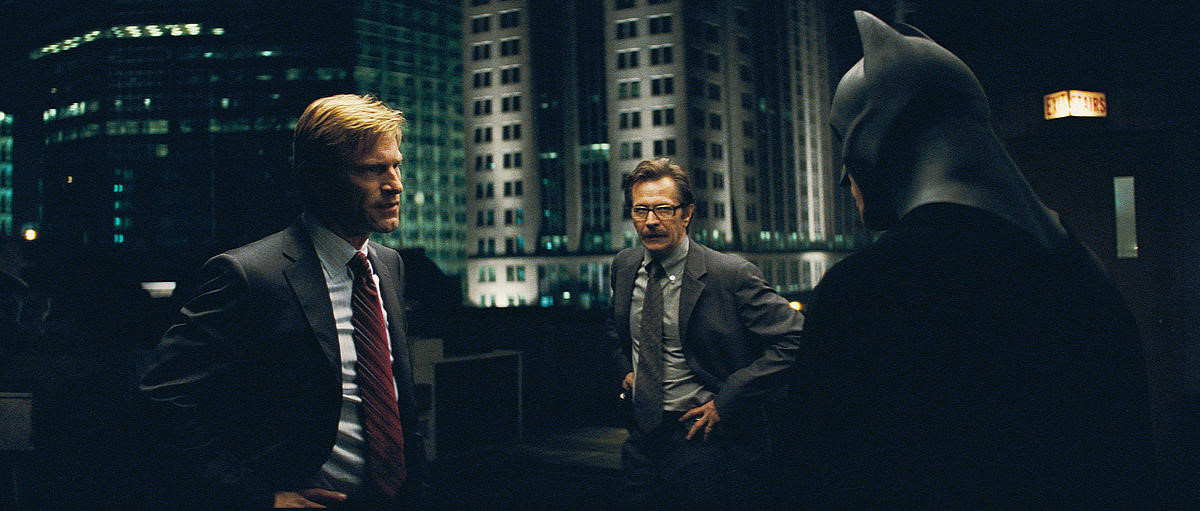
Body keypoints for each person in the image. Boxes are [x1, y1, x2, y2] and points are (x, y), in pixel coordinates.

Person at [785, 11, 1154, 507]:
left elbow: (818, 474)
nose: (842, 177)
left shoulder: (865, 292)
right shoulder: (1083, 273)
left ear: (874, 140)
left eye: (844, 141)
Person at [140, 94, 426, 509]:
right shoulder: (248, 275)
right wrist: (259, 498)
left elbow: (396, 400)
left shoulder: (388, 265)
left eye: (396, 165)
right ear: (318, 178)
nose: (395, 183)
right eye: (371, 169)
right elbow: (162, 399)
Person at [608, 158, 804, 508]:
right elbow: (616, 326)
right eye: (640, 210)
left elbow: (796, 338)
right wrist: (627, 368)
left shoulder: (730, 274)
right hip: (642, 440)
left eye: (663, 209)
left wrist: (727, 400)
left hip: (707, 442)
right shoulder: (624, 266)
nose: (650, 221)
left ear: (687, 213)